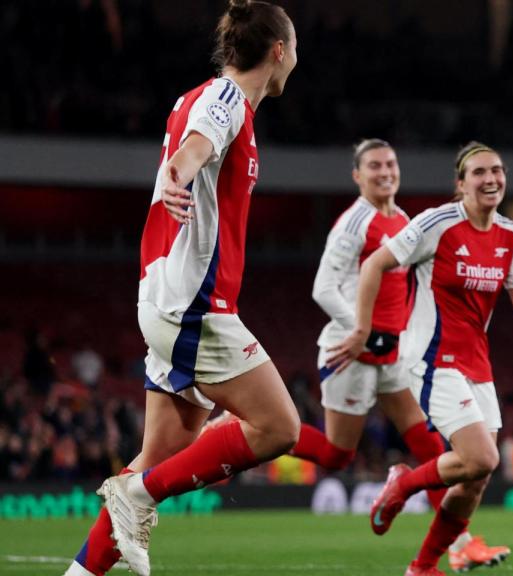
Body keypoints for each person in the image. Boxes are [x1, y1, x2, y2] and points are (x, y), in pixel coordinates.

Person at [64, 2, 299, 575]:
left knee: (156, 458)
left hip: (170, 299)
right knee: (278, 427)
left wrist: (181, 173)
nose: (297, 57)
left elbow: (196, 146)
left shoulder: (205, 97)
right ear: (278, 52)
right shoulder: (226, 100)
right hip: (194, 306)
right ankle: (138, 496)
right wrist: (180, 174)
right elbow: (198, 145)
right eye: (294, 46)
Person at [330, 142, 513, 576]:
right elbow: (375, 264)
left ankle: (423, 566)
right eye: (479, 173)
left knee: (474, 478)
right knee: (483, 457)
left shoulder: (509, 233)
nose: (491, 179)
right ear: (461, 183)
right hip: (432, 358)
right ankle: (403, 484)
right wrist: (361, 328)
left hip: (476, 364)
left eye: (497, 171)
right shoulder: (438, 223)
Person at [303, 138, 510, 572]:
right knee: (336, 455)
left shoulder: (405, 220)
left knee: (432, 446)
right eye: (374, 165)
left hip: (396, 352)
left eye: (390, 163)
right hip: (352, 352)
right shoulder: (354, 223)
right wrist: (360, 330)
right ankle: (250, 427)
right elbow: (323, 287)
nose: (385, 171)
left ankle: (458, 543)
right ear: (358, 176)